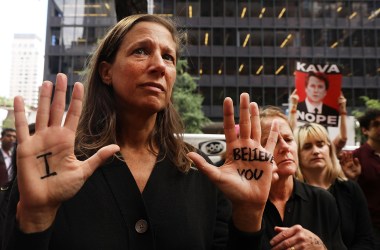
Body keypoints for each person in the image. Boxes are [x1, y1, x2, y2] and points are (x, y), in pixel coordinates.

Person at [1, 14, 280, 249]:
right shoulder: (54, 165)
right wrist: (35, 219)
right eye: (141, 51)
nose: (159, 65)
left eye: (168, 57)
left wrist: (249, 214)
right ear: (106, 72)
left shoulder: (200, 171)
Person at [257, 106, 347, 249]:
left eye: (288, 139)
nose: (285, 147)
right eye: (272, 141)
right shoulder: (242, 205)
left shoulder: (323, 200)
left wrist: (320, 247)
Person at [294, 122, 374, 249]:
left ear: (330, 149)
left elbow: (366, 239)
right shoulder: (292, 194)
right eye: (307, 147)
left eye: (320, 144)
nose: (316, 151)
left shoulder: (350, 189)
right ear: (297, 154)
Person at [346, 109, 380, 249]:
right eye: (376, 124)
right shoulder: (355, 157)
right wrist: (352, 179)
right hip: (372, 227)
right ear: (365, 130)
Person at [289, 89, 347, 154]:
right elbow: (291, 135)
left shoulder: (330, 150)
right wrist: (293, 107)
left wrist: (343, 111)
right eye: (308, 146)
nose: (316, 151)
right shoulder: (298, 147)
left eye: (320, 145)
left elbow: (343, 138)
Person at [0, 128, 16, 197]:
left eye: (14, 137)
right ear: (1, 139)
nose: (12, 138)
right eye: (8, 136)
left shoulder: (15, 157)